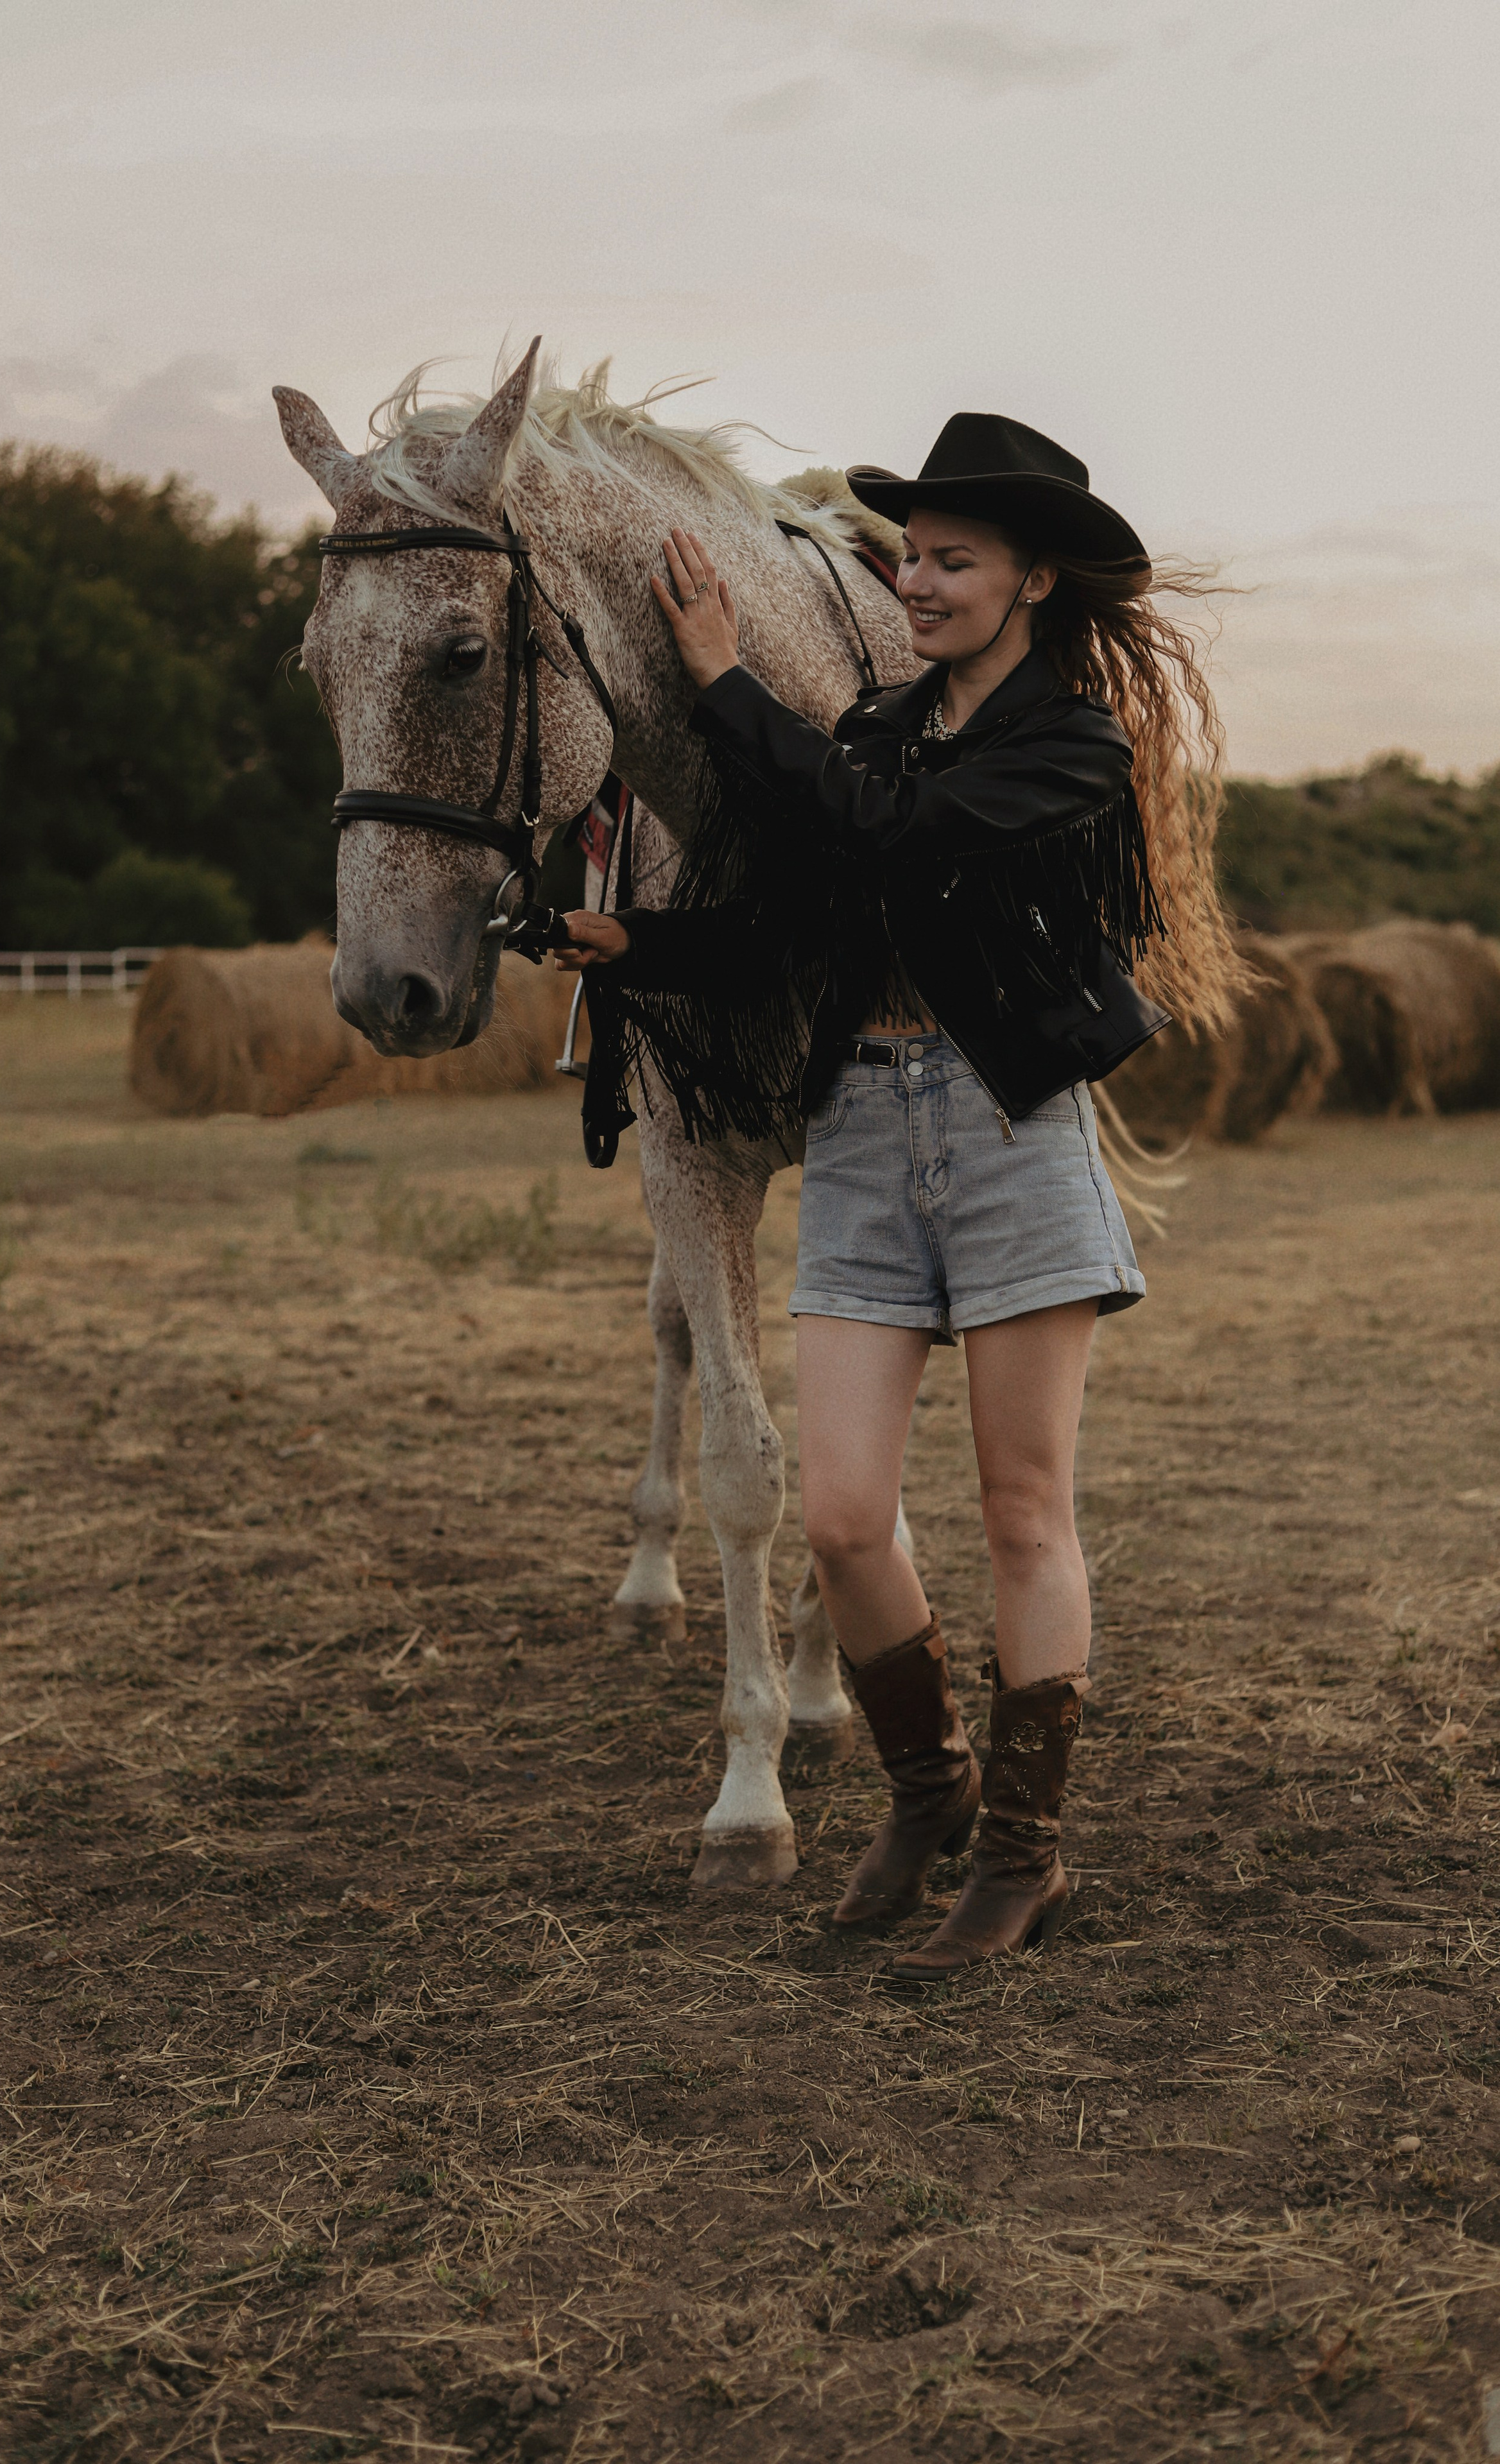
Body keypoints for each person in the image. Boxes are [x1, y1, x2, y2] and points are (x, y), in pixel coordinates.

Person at [555, 414, 1243, 1979]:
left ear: (1031, 582)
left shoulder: (1068, 747)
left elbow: (901, 838)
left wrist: (726, 682)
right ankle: (932, 1796)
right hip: (861, 1128)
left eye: (951, 560)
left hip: (1006, 1132)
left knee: (1019, 1513)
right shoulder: (870, 730)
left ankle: (1022, 1855)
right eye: (911, 556)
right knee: (843, 1517)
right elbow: (803, 920)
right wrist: (636, 947)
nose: (915, 582)